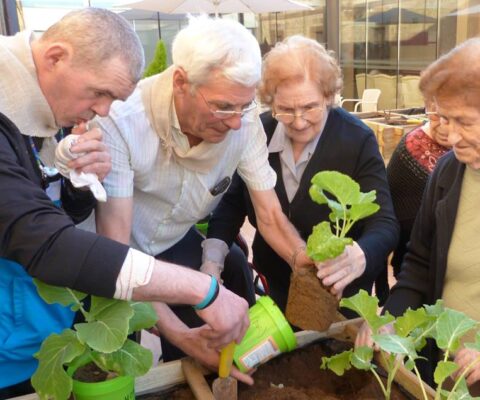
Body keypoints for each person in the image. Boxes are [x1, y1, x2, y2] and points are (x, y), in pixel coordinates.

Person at [0, 8, 250, 398]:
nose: (103, 111)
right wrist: (203, 288)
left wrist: (79, 187)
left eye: (113, 99)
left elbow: (52, 212)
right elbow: (42, 239)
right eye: (99, 93)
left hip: (34, 326)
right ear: (55, 57)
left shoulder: (45, 107)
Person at [94, 17, 313, 363]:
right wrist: (178, 334)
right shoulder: (122, 121)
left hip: (173, 238)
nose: (237, 121)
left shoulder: (243, 117)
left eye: (246, 105)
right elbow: (117, 253)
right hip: (113, 249)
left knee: (236, 267)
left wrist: (305, 261)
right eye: (223, 106)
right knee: (113, 346)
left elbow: (270, 216)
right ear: (181, 81)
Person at [207, 35, 399, 314]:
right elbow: (232, 205)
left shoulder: (357, 140)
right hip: (275, 286)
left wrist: (359, 255)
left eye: (310, 107)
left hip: (338, 294)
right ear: (270, 101)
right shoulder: (257, 134)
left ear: (328, 96)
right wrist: (212, 261)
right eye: (285, 109)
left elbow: (385, 223)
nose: (298, 121)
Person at [356, 37, 480, 389]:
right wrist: (391, 319)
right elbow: (421, 262)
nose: (451, 136)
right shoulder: (449, 172)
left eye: (464, 122)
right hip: (445, 371)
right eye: (443, 118)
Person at [386, 100, 451, 277]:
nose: (446, 127)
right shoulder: (414, 148)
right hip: (419, 268)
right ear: (427, 105)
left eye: (455, 118)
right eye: (436, 115)